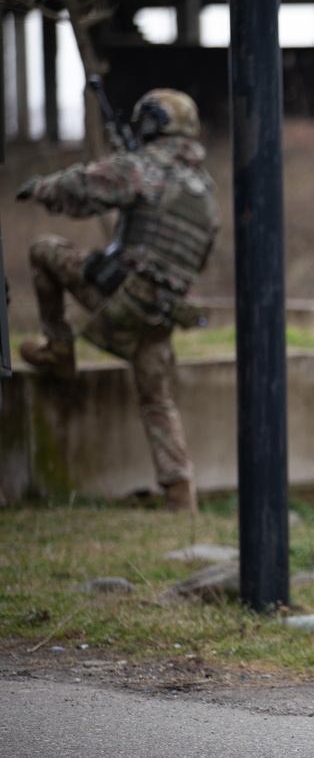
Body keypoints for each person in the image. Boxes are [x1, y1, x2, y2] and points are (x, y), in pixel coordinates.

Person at [15, 88, 219, 513]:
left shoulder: (145, 168)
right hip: (162, 312)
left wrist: (40, 188)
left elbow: (83, 190)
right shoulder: (204, 189)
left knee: (42, 250)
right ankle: (182, 495)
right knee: (157, 400)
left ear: (151, 125)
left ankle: (59, 348)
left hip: (122, 297)